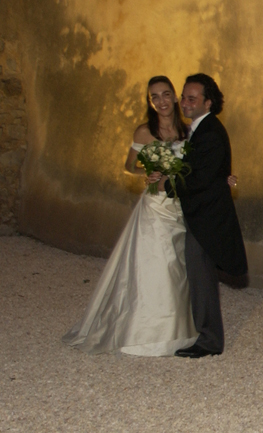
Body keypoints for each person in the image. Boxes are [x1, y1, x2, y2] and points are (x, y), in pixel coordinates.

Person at [63, 76, 198, 356]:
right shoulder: (143, 132)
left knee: (179, 268)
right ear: (150, 102)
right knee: (159, 265)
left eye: (165, 94)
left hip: (180, 207)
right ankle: (147, 332)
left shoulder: (187, 131)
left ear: (175, 97)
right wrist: (144, 174)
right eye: (154, 97)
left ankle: (180, 329)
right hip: (154, 208)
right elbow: (128, 166)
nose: (160, 101)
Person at [173, 73, 248, 358]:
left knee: (202, 278)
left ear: (208, 102)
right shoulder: (198, 131)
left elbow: (200, 179)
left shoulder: (210, 133)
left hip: (205, 219)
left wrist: (169, 180)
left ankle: (209, 341)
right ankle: (201, 333)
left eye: (192, 98)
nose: (185, 102)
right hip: (200, 215)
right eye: (184, 97)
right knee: (197, 276)